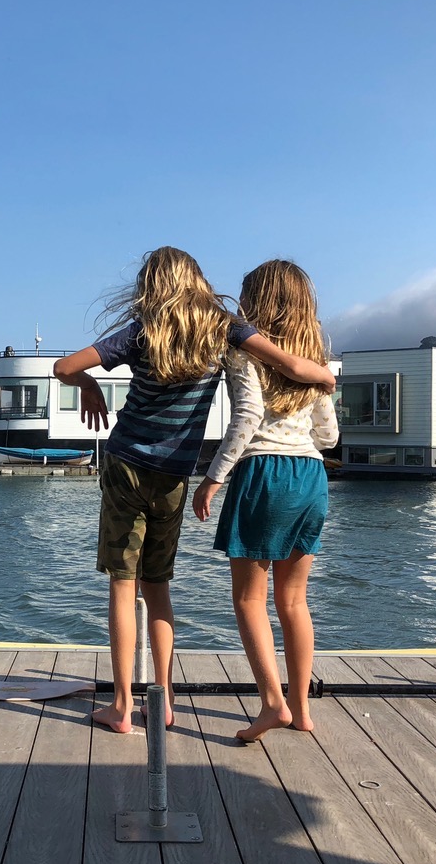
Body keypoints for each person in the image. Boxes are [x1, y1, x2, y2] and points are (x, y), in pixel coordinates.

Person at [54, 247, 335, 733]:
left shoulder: (142, 332)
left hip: (129, 466)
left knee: (124, 585)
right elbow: (300, 381)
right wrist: (324, 376)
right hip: (185, 475)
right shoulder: (223, 329)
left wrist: (88, 385)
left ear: (149, 286)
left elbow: (63, 367)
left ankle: (122, 706)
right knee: (161, 588)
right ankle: (164, 700)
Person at [192, 259, 339, 740]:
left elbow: (248, 416)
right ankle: (302, 708)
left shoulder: (243, 351)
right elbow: (329, 437)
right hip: (311, 476)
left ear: (255, 301)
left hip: (264, 473)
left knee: (248, 598)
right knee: (294, 601)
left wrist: (214, 477)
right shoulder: (315, 360)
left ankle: (273, 704)